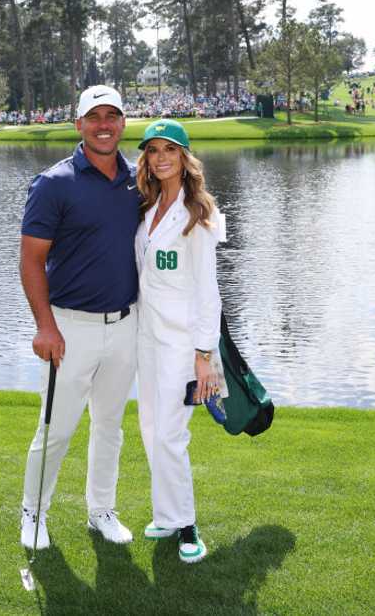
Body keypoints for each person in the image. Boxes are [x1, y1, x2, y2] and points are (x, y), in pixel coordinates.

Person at [18, 85, 140, 550]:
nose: (103, 125)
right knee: (56, 428)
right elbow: (31, 261)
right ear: (79, 125)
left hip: (125, 325)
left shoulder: (138, 179)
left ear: (123, 123)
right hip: (69, 328)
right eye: (94, 117)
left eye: (112, 116)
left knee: (110, 426)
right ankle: (33, 513)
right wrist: (44, 326)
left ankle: (101, 511)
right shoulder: (54, 183)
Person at [134, 119, 226, 565]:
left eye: (170, 149)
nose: (161, 158)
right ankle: (166, 516)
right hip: (147, 339)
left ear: (184, 157)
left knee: (172, 434)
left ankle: (188, 525)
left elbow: (209, 291)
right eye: (153, 150)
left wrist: (204, 355)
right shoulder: (147, 209)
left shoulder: (199, 214)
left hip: (183, 345)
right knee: (151, 429)